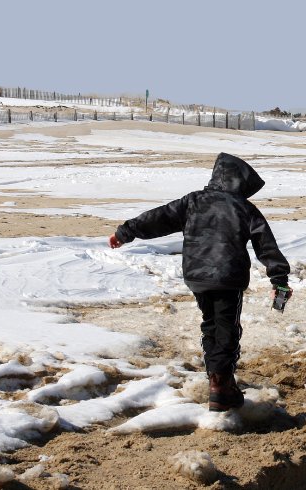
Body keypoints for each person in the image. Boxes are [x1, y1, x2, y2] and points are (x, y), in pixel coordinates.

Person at [109, 153, 291, 411]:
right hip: (228, 277)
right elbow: (266, 246)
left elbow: (159, 218)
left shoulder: (193, 201)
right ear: (240, 181)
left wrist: (125, 232)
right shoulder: (244, 208)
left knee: (211, 325)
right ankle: (221, 384)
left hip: (197, 276)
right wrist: (279, 279)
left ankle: (216, 380)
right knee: (227, 328)